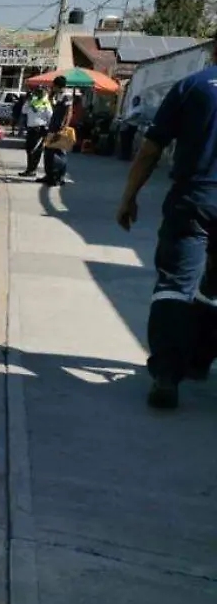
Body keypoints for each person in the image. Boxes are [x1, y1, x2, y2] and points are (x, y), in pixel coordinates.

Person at [116, 39, 217, 409]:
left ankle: (167, 374)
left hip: (194, 199)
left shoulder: (191, 86)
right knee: (213, 289)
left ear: (214, 50)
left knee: (175, 284)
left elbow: (151, 148)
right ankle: (200, 359)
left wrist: (129, 196)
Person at [40, 75, 73, 186]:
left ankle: (60, 176)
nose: (52, 87)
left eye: (53, 85)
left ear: (58, 86)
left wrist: (64, 127)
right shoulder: (57, 95)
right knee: (48, 152)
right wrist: (50, 95)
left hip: (59, 128)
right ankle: (49, 175)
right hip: (52, 127)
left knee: (59, 153)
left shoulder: (67, 96)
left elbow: (69, 113)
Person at [19, 86, 53, 176]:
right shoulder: (32, 101)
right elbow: (24, 110)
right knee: (29, 149)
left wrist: (46, 128)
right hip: (31, 129)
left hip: (39, 129)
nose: (38, 93)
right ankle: (29, 169)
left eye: (40, 92)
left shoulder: (46, 103)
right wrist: (28, 101)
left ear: (44, 93)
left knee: (35, 150)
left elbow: (50, 117)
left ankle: (32, 170)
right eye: (37, 91)